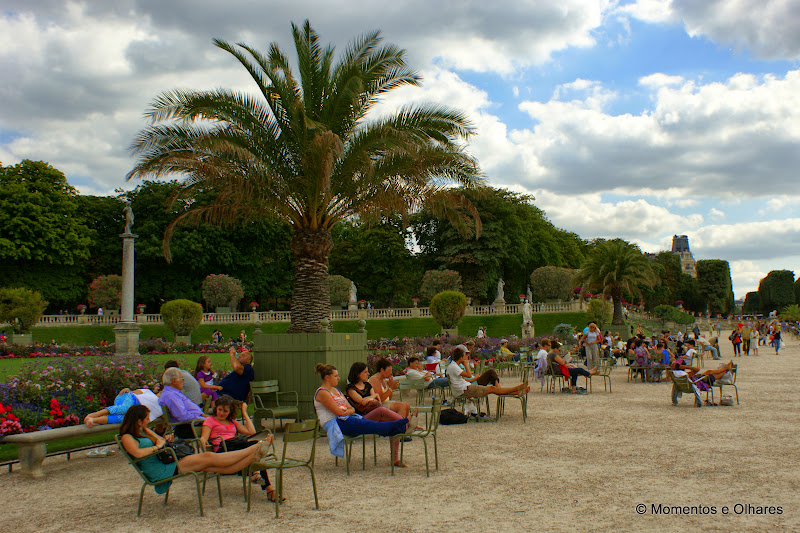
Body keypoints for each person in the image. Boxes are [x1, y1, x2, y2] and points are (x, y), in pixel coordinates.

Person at [119, 404, 271, 495]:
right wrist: (156, 446)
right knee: (209, 457)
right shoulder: (127, 437)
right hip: (161, 470)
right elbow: (138, 453)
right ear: (138, 421)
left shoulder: (141, 432)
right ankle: (255, 448)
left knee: (213, 465)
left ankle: (253, 456)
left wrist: (147, 431)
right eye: (146, 420)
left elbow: (160, 440)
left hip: (167, 464)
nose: (149, 421)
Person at [313, 364, 415, 464]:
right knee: (376, 425)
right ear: (327, 378)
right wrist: (348, 411)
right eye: (335, 376)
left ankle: (402, 427)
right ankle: (405, 423)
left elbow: (350, 409)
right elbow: (339, 412)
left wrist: (348, 411)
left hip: (349, 418)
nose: (339, 378)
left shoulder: (336, 390)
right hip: (336, 423)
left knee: (381, 422)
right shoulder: (323, 392)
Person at [199, 396, 279, 502]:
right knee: (255, 447)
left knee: (254, 448)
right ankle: (258, 476)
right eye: (219, 409)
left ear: (230, 412)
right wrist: (203, 442)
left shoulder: (231, 422)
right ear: (216, 408)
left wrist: (244, 413)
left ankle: (266, 486)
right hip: (222, 450)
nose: (221, 413)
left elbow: (251, 432)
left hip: (235, 448)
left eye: (225, 411)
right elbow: (204, 437)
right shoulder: (210, 420)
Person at [345, 362, 412, 467]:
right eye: (365, 372)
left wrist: (371, 397)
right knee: (381, 410)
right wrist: (372, 396)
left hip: (373, 412)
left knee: (393, 424)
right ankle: (406, 422)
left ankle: (395, 459)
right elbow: (362, 401)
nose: (368, 374)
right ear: (358, 374)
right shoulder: (351, 389)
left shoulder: (367, 385)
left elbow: (378, 399)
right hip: (361, 418)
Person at [447, 347, 529, 400]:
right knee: (492, 388)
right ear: (461, 357)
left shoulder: (454, 366)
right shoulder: (454, 366)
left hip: (465, 388)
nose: (466, 357)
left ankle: (516, 391)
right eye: (465, 355)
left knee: (492, 389)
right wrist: (466, 365)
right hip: (463, 390)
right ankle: (517, 389)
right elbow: (468, 375)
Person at [159, 367, 205, 439]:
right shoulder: (171, 396)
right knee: (219, 425)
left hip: (192, 422)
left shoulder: (173, 392)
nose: (183, 381)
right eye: (181, 379)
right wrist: (201, 418)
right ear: (174, 381)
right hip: (187, 426)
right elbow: (183, 416)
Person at [84, 388, 162, 427]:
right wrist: (127, 389)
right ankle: (94, 415)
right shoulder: (148, 392)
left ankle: (93, 420)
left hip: (134, 412)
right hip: (128, 399)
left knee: (123, 418)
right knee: (126, 408)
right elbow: (131, 393)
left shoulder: (161, 409)